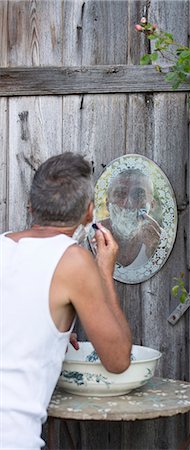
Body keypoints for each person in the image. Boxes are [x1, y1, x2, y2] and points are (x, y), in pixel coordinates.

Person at [0, 152, 132, 449]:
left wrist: (47, 332)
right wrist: (104, 274)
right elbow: (118, 360)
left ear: (31, 207)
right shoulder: (73, 260)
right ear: (88, 213)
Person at [100, 169, 162, 268]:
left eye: (138, 195)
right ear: (107, 203)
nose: (128, 203)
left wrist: (156, 251)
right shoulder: (92, 236)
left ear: (152, 205)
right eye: (120, 194)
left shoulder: (161, 239)